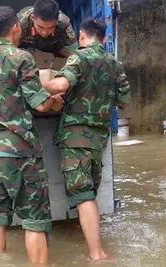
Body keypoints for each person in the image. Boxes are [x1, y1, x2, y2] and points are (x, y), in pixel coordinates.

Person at [0, 6, 64, 265]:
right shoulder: (21, 57)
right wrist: (54, 102)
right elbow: (39, 103)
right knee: (35, 221)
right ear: (15, 28)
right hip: (20, 152)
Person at [43, 18, 130, 262]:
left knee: (83, 196)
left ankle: (96, 254)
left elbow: (61, 83)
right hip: (98, 139)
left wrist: (30, 85)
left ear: (82, 36)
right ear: (103, 38)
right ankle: (96, 249)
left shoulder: (79, 57)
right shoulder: (115, 63)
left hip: (75, 139)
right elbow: (124, 101)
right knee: (89, 192)